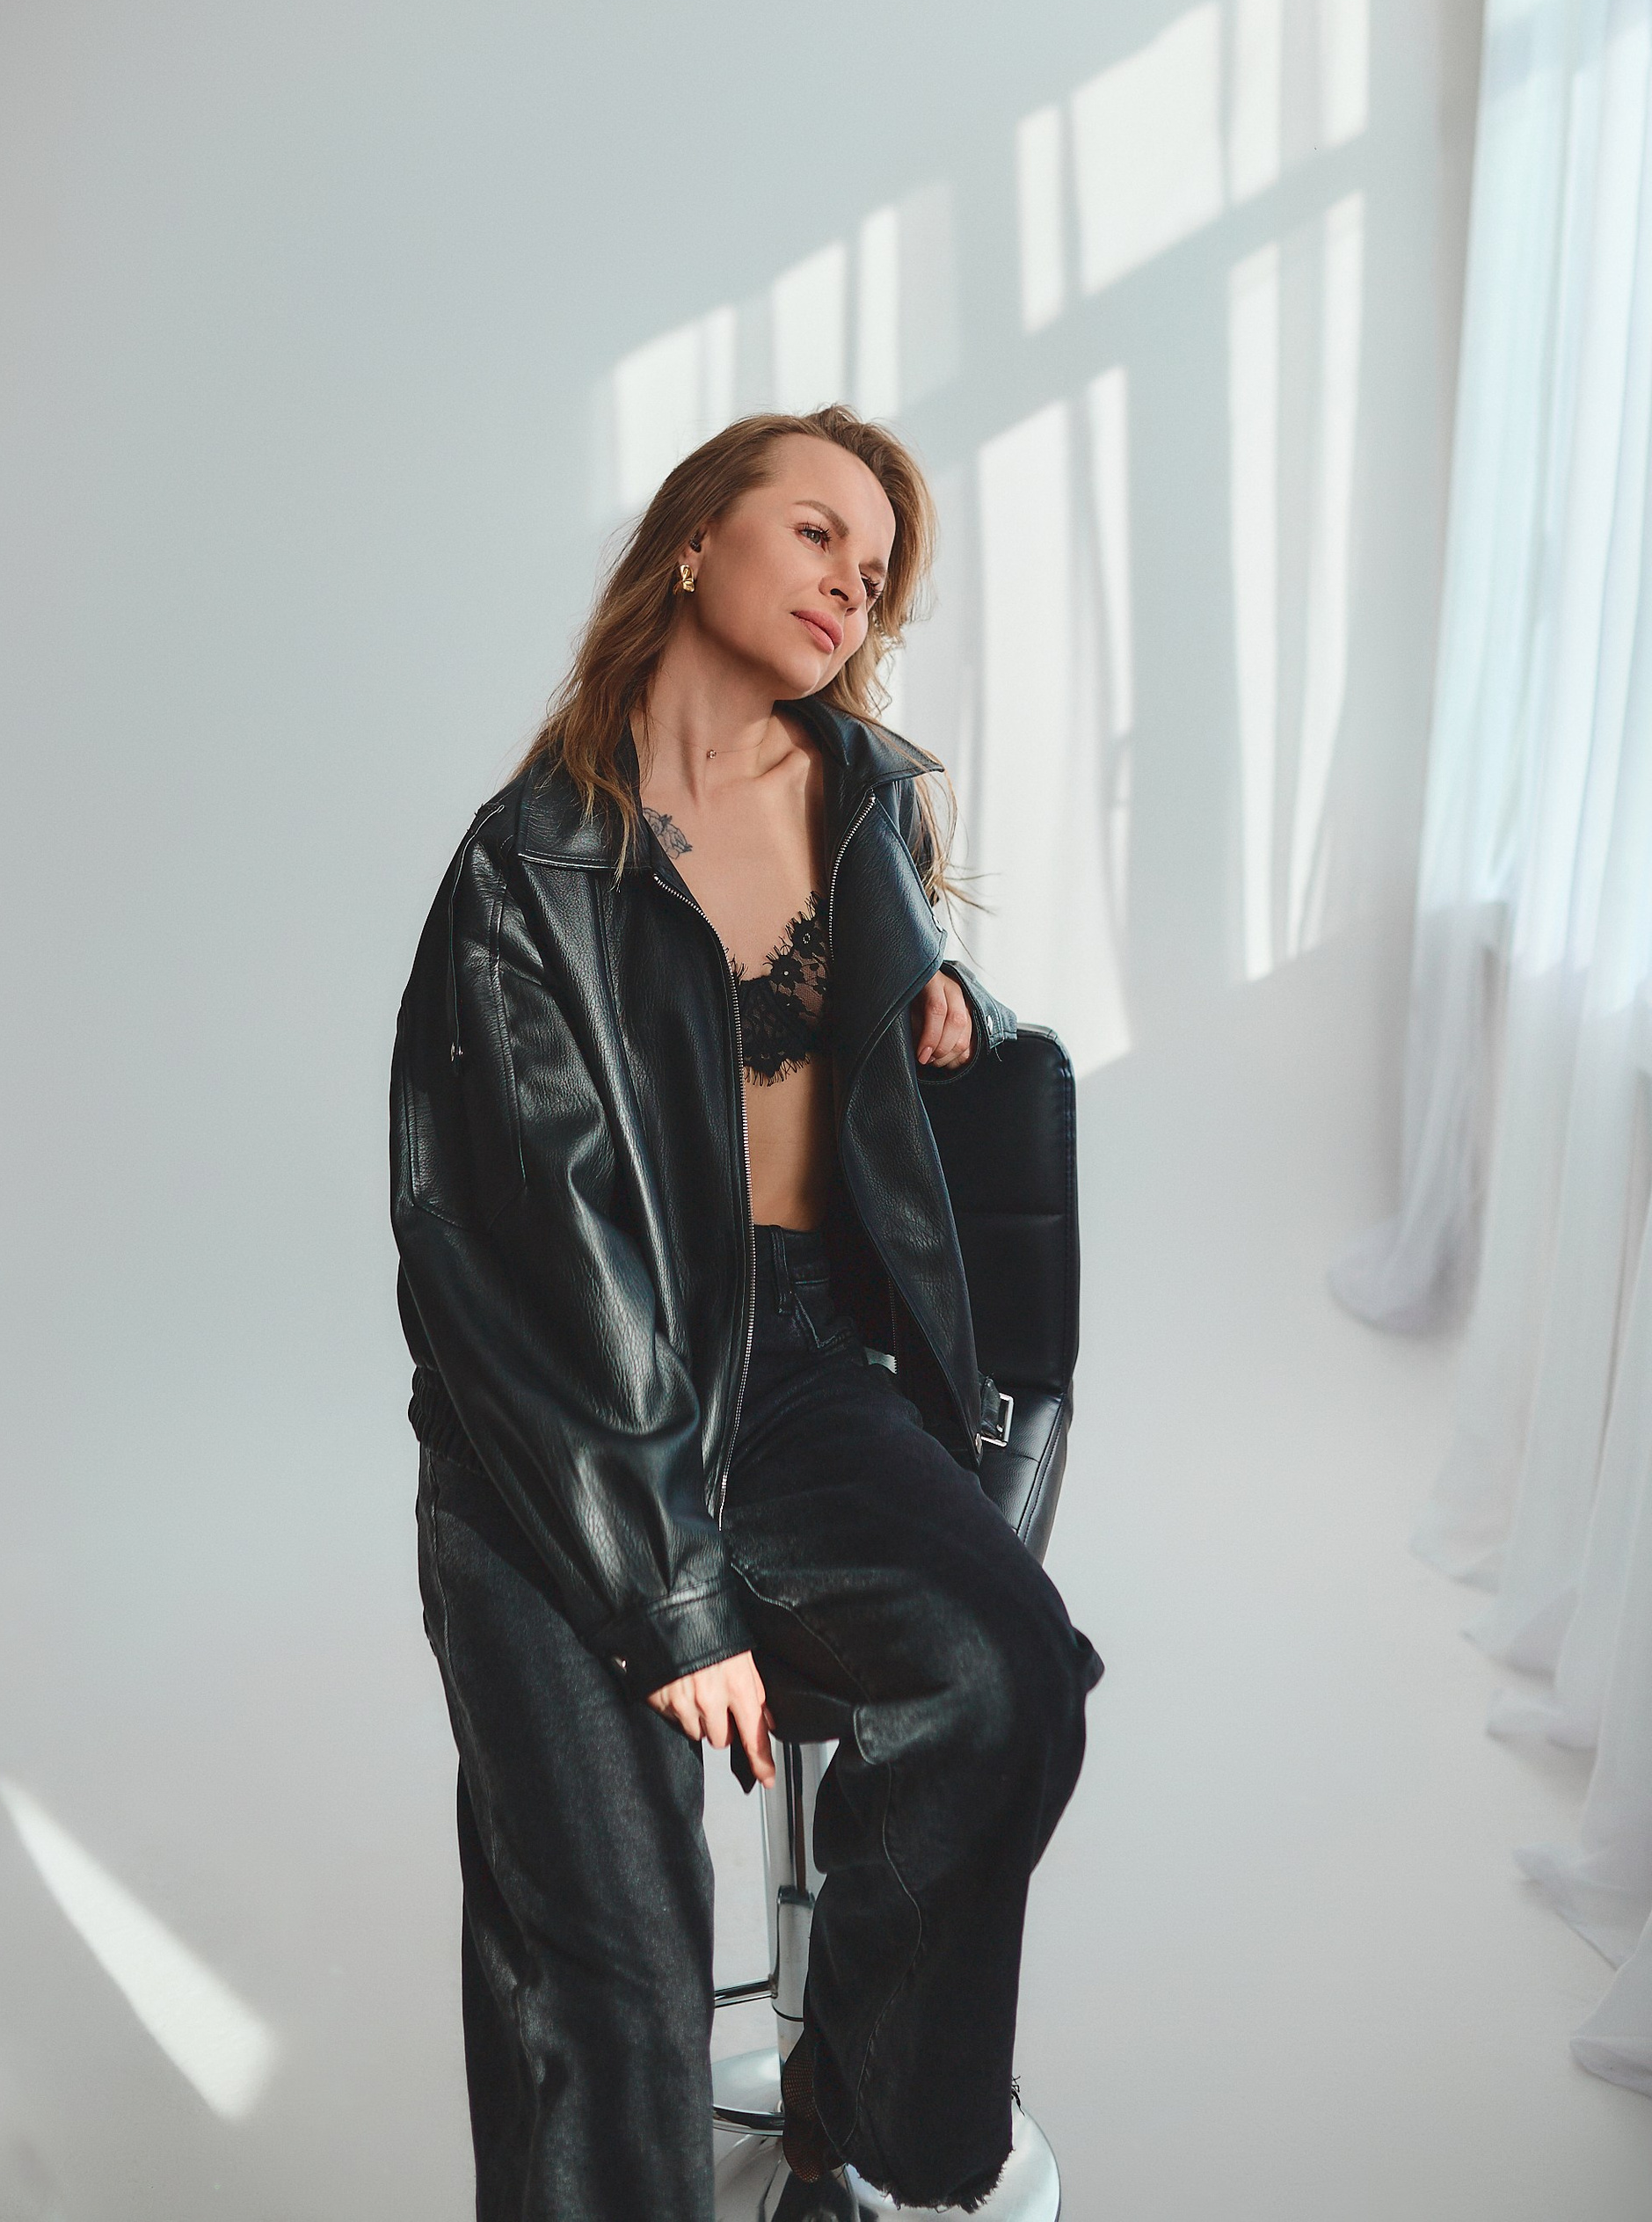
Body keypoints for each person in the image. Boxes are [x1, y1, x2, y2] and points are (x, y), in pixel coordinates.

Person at [389, 404, 1103, 2218]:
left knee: (1008, 1678)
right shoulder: (532, 869)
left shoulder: (867, 800)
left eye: (877, 572)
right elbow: (526, 1271)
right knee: (613, 1989)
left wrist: (937, 984)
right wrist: (670, 1596)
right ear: (695, 538)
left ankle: (857, 2139)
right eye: (816, 534)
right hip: (557, 1424)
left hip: (791, 1368)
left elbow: (855, 1058)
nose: (851, 586)